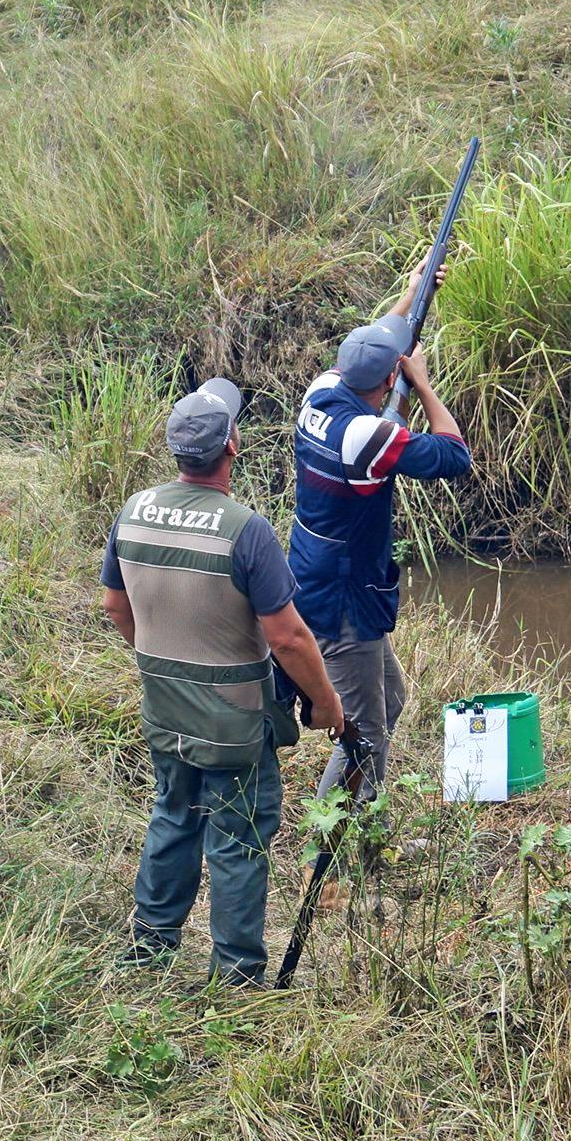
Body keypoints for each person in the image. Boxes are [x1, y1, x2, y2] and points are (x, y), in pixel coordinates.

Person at [101, 378, 346, 986]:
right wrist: (326, 703)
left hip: (163, 712)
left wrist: (160, 657)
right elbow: (289, 638)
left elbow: (114, 606)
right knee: (237, 840)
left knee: (172, 816)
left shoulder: (132, 511)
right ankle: (236, 975)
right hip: (235, 725)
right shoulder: (247, 530)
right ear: (233, 445)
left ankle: (150, 947)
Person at [289, 261, 475, 805]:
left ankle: (350, 828)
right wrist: (425, 384)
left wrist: (411, 295)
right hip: (343, 595)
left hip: (319, 572)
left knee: (389, 698)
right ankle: (333, 859)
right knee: (365, 737)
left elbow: (370, 350)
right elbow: (454, 454)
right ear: (392, 379)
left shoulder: (320, 395)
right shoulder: (366, 437)